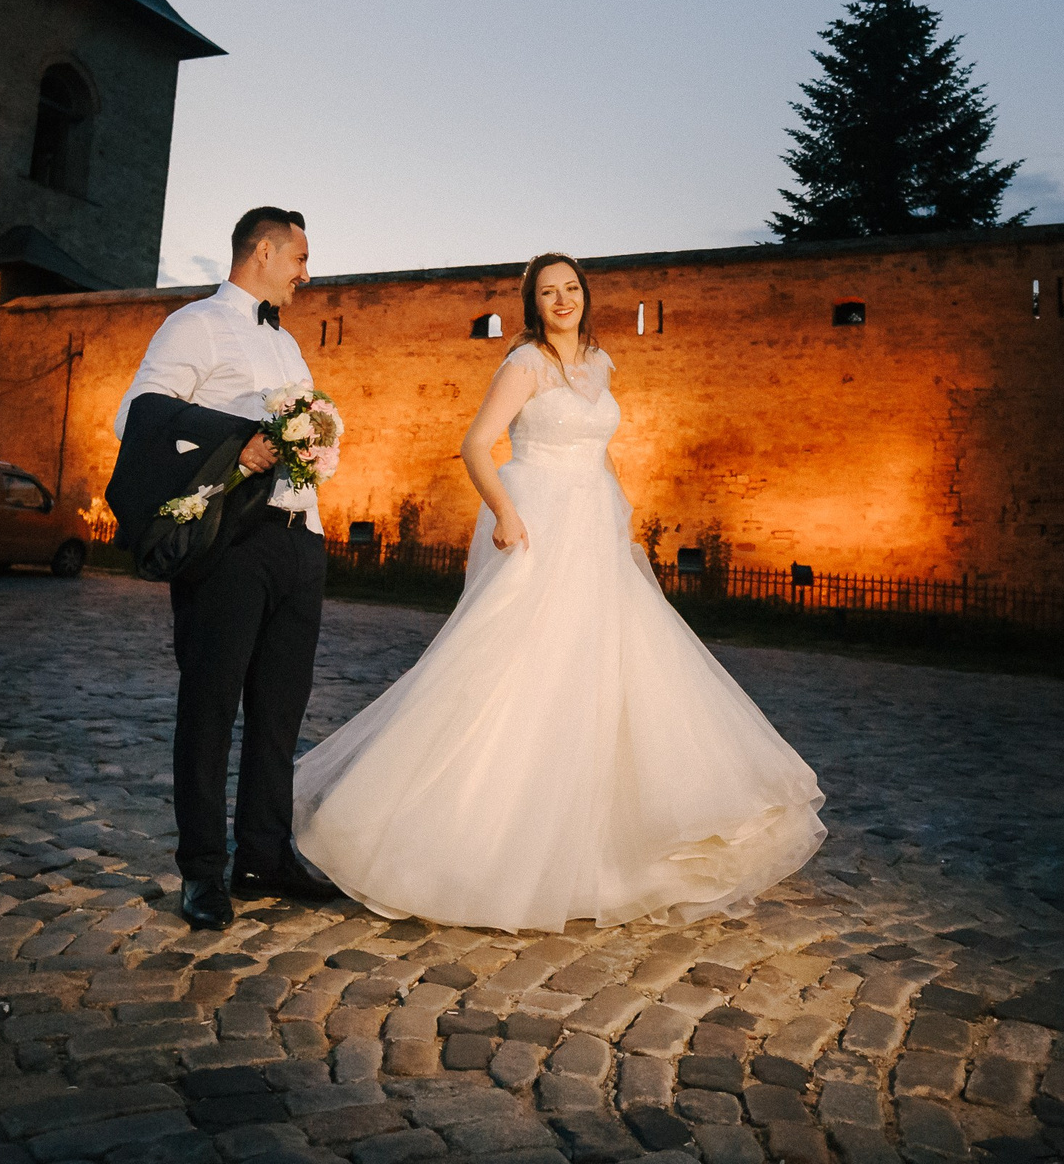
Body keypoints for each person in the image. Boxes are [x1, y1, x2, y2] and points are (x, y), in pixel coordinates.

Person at [292, 253, 826, 930]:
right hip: (540, 520)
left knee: (609, 674)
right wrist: (508, 514)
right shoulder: (524, 365)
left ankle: (610, 844)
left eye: (571, 288)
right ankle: (456, 839)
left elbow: (600, 453)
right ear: (532, 304)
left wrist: (624, 519)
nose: (562, 299)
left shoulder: (601, 364)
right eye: (548, 292)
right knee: (515, 668)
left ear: (586, 294)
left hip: (594, 527)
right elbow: (477, 444)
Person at [114, 207, 341, 929]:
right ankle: (203, 870)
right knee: (210, 708)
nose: (306, 273)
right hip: (232, 543)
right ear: (265, 252)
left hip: (299, 539)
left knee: (280, 712)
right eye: (299, 258)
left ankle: (264, 854)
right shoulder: (195, 325)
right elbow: (141, 415)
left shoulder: (290, 345)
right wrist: (238, 443)